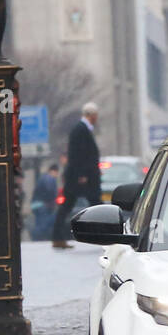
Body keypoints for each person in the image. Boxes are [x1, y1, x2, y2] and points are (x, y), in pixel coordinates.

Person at [52, 102, 101, 249]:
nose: (96, 118)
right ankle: (105, 235)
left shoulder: (82, 129)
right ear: (91, 115)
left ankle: (57, 237)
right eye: (95, 115)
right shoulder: (80, 130)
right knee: (92, 204)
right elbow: (78, 154)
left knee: (74, 204)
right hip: (81, 177)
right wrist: (82, 174)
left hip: (81, 176)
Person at [30, 163, 60, 241]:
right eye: (57, 173)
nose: (57, 175)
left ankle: (36, 238)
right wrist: (52, 202)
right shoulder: (49, 178)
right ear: (53, 171)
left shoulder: (43, 178)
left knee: (39, 222)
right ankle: (37, 238)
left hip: (36, 205)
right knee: (44, 223)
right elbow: (49, 192)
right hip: (43, 205)